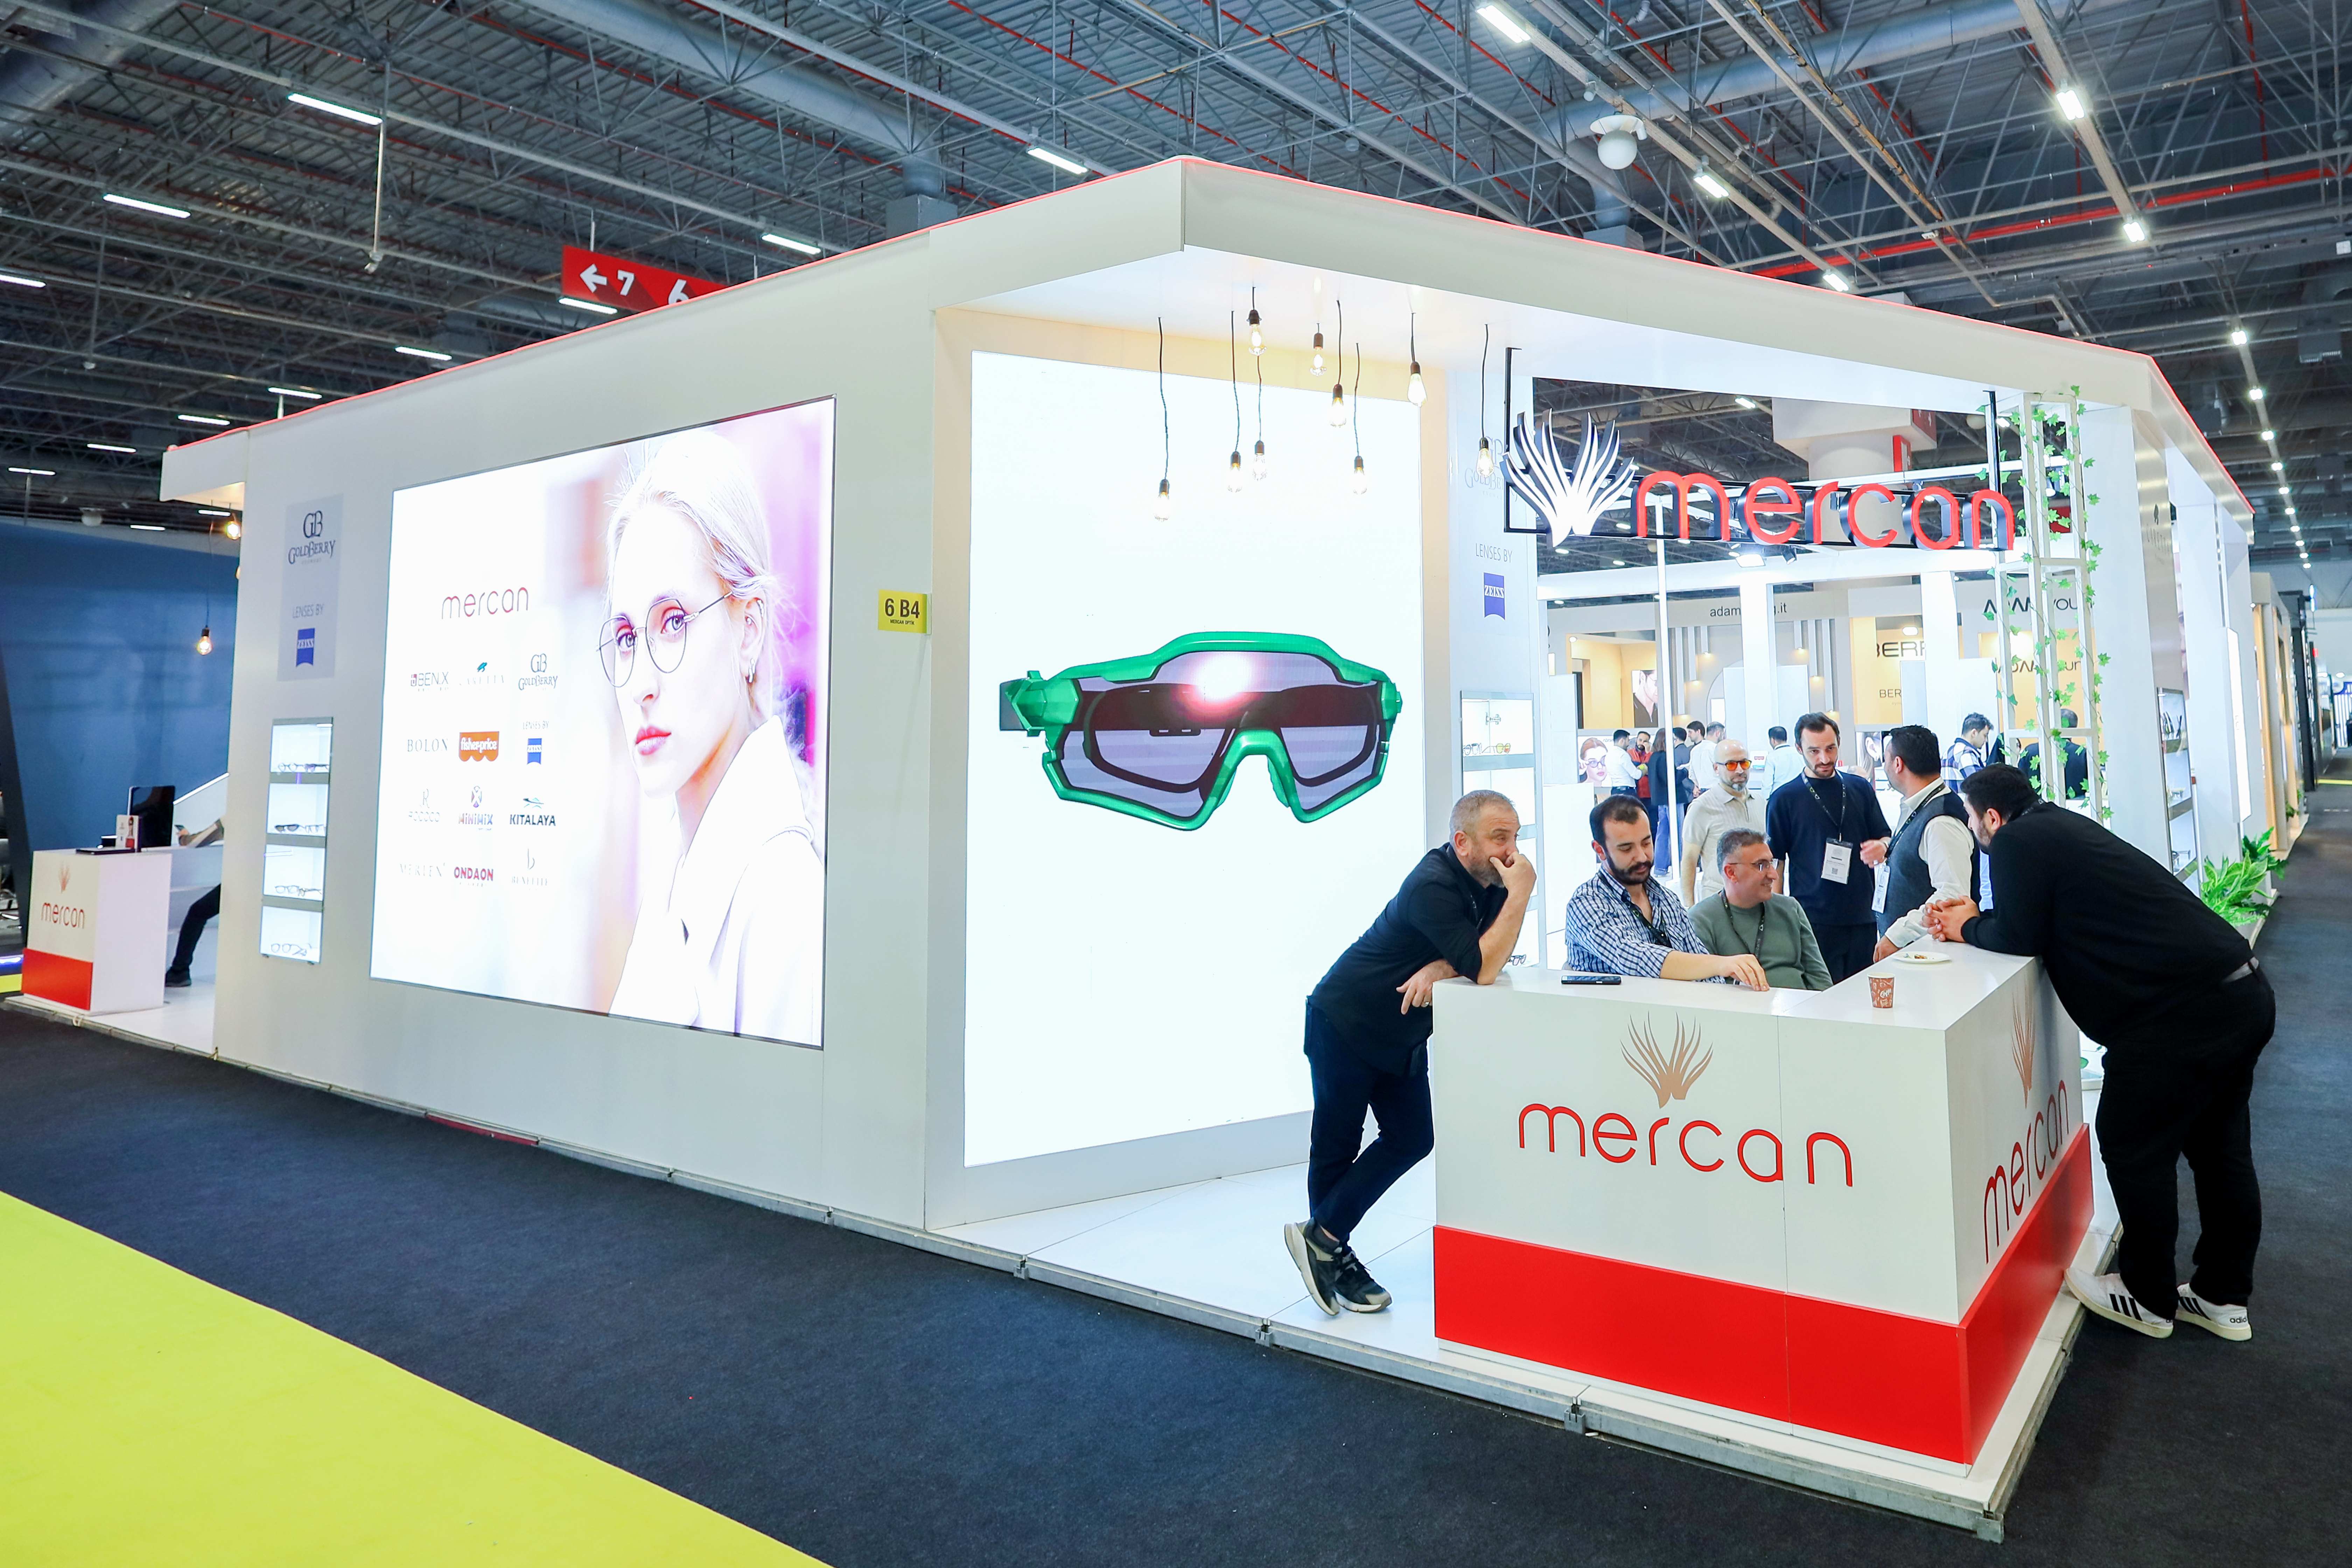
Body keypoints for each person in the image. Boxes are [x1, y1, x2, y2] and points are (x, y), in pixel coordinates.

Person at [1926, 765, 2269, 1343]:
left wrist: (1968, 927)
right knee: (2221, 1151)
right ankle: (2223, 1296)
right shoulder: (2059, 825)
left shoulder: (2015, 841)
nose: (1972, 828)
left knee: (2133, 1144)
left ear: (1991, 817)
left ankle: (2147, 1296)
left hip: (2178, 1015)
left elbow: (2018, 935)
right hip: (2240, 991)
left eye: (1970, 817)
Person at [602, 431, 824, 1045]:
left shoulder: (784, 899)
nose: (640, 684)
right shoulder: (677, 871)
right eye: (627, 636)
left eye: (673, 623)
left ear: (748, 629)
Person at [1290, 791, 1536, 1315]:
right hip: (1346, 1021)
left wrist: (1446, 965)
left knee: (1413, 1137)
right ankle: (1332, 1250)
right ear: (1462, 842)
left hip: (1400, 1032)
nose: (1512, 851)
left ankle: (1321, 1238)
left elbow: (1489, 954)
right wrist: (1520, 897)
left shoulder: (1491, 882)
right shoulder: (1433, 884)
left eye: (1515, 836)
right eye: (1499, 837)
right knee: (1337, 1145)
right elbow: (1484, 965)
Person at [1566, 794, 1766, 989]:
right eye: (1626, 849)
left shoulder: (1666, 899)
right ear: (1600, 851)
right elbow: (1637, 959)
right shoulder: (1586, 904)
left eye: (1646, 843)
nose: (1642, 857)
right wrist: (1721, 964)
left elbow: (1700, 962)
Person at [1765, 712, 1893, 984]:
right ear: (1799, 749)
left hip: (1862, 914)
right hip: (1813, 917)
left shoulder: (1859, 788)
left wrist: (1882, 847)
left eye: (1831, 749)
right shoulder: (1784, 799)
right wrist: (1778, 916)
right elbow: (1776, 862)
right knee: (1822, 995)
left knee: (1861, 991)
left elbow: (1885, 836)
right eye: (1814, 751)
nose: (1824, 759)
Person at [1866, 724, 1978, 961]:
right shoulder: (1920, 806)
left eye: (1886, 759)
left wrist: (1898, 936)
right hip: (1916, 954)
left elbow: (1952, 895)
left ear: (1898, 764)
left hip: (1927, 956)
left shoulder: (1941, 821)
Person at [1692, 830, 1830, 990]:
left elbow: (1820, 981)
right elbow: (1705, 991)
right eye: (1761, 866)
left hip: (1801, 1003)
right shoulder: (1701, 919)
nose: (1773, 875)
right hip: (1740, 1005)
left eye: (1771, 864)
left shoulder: (1790, 909)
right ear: (1732, 873)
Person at [1678, 740, 1768, 907]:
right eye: (1731, 765)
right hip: (1719, 905)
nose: (1740, 770)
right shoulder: (1702, 807)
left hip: (1758, 902)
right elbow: (1689, 859)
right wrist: (1690, 908)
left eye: (1744, 763)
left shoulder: (1760, 803)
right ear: (1716, 769)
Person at [164, 817, 224, 989]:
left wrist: (184, 836)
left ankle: (180, 971)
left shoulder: (234, 818)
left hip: (241, 880)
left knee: (198, 913)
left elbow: (195, 842)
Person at [2018, 708, 2091, 800]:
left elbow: (2020, 781)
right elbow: (2096, 783)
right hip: (2075, 805)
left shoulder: (2030, 751)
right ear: (2074, 729)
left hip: (2038, 804)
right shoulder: (2082, 753)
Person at [1944, 714, 1993, 782]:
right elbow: (1979, 785)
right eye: (1985, 735)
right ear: (1974, 733)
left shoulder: (1948, 752)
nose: (1986, 740)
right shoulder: (1966, 753)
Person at [1764, 724, 1805, 793]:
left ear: (1773, 740)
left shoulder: (1772, 757)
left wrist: (1766, 797)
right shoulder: (1799, 753)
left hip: (1779, 795)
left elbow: (1767, 784)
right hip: (1800, 792)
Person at [1686, 722, 1724, 792]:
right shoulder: (1716, 749)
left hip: (1703, 791)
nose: (1724, 738)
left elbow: (1692, 775)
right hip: (1717, 790)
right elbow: (1723, 771)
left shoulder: (1694, 750)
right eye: (1723, 735)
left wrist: (1700, 785)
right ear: (1718, 734)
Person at [1603, 728, 1640, 797]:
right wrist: (1644, 769)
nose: (1628, 744)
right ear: (1622, 741)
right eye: (1628, 741)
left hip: (1615, 791)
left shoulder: (1609, 755)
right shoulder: (1623, 755)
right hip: (1627, 792)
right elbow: (1636, 775)